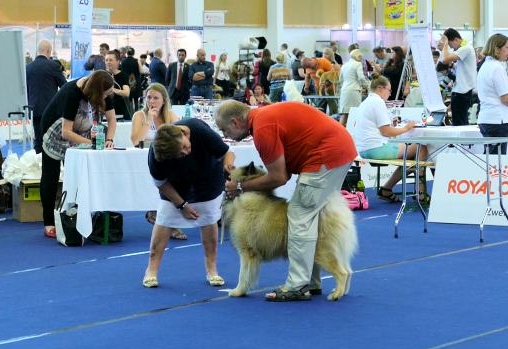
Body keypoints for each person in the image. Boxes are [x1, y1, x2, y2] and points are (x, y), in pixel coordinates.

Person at [214, 100, 356, 302]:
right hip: (339, 150)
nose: (225, 136)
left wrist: (239, 187)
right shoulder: (264, 118)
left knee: (299, 216)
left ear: (235, 122)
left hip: (326, 156)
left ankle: (297, 285)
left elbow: (279, 177)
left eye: (224, 130)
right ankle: (312, 281)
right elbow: (284, 173)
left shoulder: (262, 128)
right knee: (311, 218)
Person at [142, 118, 236, 288]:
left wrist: (228, 165)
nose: (185, 153)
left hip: (207, 177)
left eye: (185, 147)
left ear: (183, 133)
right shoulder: (156, 155)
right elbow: (161, 183)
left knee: (208, 219)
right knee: (164, 220)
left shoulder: (199, 130)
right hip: (175, 183)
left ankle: (212, 269)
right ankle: (151, 270)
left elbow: (227, 152)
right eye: (179, 154)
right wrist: (181, 205)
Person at [39, 70, 117, 239]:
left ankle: (78, 215)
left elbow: (111, 119)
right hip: (55, 131)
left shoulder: (104, 87)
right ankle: (49, 221)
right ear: (97, 92)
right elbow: (66, 132)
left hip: (80, 131)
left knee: (80, 174)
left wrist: (109, 139)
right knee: (50, 176)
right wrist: (93, 144)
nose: (108, 97)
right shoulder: (71, 94)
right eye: (106, 94)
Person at [350, 74, 428, 201]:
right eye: (389, 90)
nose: (390, 94)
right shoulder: (378, 102)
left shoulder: (366, 102)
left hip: (363, 149)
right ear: (381, 88)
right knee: (422, 148)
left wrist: (397, 127)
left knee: (411, 157)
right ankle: (420, 192)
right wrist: (407, 128)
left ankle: (387, 189)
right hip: (376, 149)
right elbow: (386, 131)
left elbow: (382, 128)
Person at [131, 83, 187, 241]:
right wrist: (149, 120)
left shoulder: (171, 115)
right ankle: (162, 216)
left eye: (156, 98)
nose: (152, 101)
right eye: (149, 97)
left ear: (163, 100)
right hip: (144, 159)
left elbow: (178, 139)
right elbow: (136, 141)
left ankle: (164, 215)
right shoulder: (139, 116)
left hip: (167, 159)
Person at [26, 39, 67, 153]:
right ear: (49, 51)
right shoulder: (53, 66)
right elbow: (64, 86)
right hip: (50, 110)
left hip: (34, 109)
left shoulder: (27, 68)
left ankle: (39, 166)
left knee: (38, 141)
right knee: (52, 140)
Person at [477, 33, 508, 154]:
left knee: (490, 159)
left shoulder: (485, 66)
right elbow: (506, 99)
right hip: (497, 121)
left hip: (487, 119)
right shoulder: (496, 68)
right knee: (496, 163)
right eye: (507, 47)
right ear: (497, 49)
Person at [438, 28, 477, 126]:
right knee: (459, 122)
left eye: (450, 45)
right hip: (460, 91)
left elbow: (445, 59)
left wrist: (445, 44)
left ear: (456, 40)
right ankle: (463, 141)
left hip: (462, 92)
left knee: (460, 124)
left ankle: (463, 142)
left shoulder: (466, 48)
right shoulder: (463, 50)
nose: (451, 48)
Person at [338, 49, 370, 128]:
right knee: (355, 114)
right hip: (354, 91)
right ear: (357, 56)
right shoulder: (358, 64)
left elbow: (340, 79)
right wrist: (367, 85)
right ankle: (353, 133)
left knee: (344, 114)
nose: (361, 59)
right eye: (360, 57)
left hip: (344, 91)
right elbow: (361, 78)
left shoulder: (345, 65)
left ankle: (339, 132)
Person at [105, 50, 132, 121]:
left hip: (121, 111)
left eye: (111, 60)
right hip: (106, 111)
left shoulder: (123, 75)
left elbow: (126, 93)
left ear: (118, 61)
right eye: (106, 60)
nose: (108, 62)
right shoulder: (103, 75)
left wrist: (112, 89)